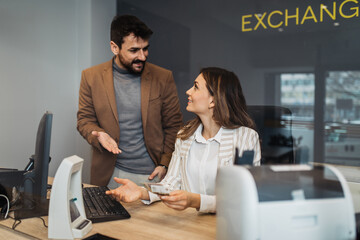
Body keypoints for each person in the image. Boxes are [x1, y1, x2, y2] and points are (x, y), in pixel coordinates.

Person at [106, 67, 261, 213]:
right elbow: (170, 184)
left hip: (227, 226)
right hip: (187, 223)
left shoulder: (245, 138)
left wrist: (196, 201)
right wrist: (141, 192)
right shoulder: (185, 135)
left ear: (213, 101)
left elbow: (241, 198)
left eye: (195, 87)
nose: (188, 92)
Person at [77, 15, 183, 187]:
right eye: (134, 50)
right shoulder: (91, 77)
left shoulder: (163, 77)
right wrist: (99, 134)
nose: (142, 56)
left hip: (152, 174)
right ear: (114, 47)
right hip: (109, 173)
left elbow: (174, 125)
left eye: (145, 49)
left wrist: (164, 163)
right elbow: (84, 120)